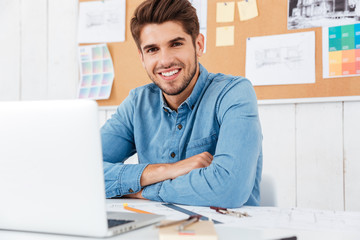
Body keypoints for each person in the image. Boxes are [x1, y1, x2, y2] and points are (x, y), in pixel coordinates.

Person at [101, 0, 263, 208]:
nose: (165, 60)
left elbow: (228, 189)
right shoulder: (136, 103)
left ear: (198, 45)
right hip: (156, 229)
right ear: (142, 58)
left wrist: (139, 192)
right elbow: (79, 170)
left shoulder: (234, 93)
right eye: (152, 49)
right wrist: (166, 170)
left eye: (175, 44)